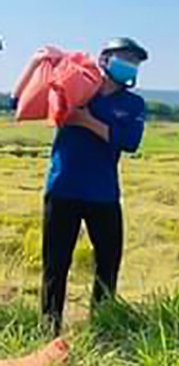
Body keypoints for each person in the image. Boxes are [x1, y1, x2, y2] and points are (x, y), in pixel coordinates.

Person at [25, 38, 149, 336]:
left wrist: (85, 120)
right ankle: (49, 328)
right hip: (63, 187)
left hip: (103, 193)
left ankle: (103, 327)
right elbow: (28, 104)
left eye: (135, 61)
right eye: (124, 58)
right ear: (105, 60)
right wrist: (37, 63)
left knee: (108, 262)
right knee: (56, 264)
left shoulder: (133, 104)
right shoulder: (78, 87)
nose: (129, 65)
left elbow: (129, 142)